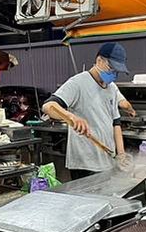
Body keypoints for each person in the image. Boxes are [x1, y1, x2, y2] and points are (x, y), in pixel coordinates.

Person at [42, 42, 130, 180]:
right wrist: (71, 117)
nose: (113, 74)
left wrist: (121, 154)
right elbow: (48, 106)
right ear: (99, 60)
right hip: (85, 164)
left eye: (116, 72)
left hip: (108, 161)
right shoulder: (78, 83)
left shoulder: (111, 88)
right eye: (111, 68)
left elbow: (116, 123)